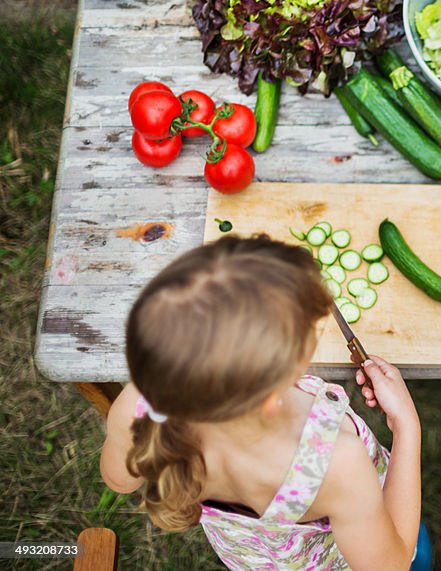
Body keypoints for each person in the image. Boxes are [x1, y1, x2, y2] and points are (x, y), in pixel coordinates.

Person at [100, 235, 423, 571]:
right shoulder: (337, 463)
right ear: (271, 398)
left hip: (255, 557)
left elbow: (119, 480)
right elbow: (391, 564)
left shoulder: (138, 405)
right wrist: (406, 427)